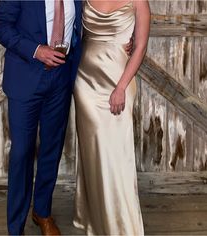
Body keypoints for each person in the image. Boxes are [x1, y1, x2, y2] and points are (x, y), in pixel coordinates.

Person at [0, 0, 82, 235]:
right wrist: (36, 50)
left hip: (61, 78)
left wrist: (124, 39)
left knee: (51, 149)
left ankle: (42, 212)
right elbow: (0, 26)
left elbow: (91, 22)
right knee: (21, 153)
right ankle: (15, 227)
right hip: (25, 78)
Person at [72, 0, 150, 235]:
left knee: (117, 153)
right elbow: (70, 28)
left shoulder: (139, 1)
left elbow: (140, 47)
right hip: (85, 81)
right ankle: (93, 218)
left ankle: (122, 223)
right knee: (92, 150)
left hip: (118, 79)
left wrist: (121, 87)